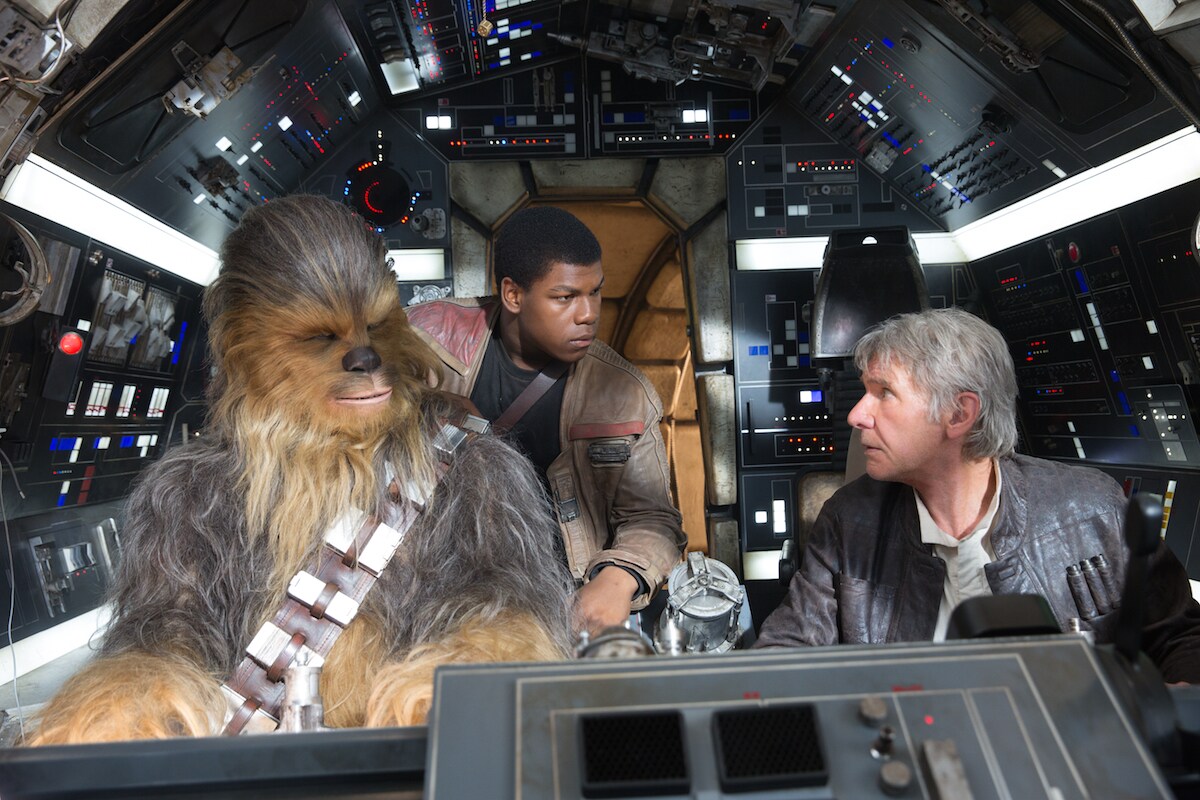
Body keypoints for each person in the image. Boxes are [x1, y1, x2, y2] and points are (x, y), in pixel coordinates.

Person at [755, 307, 1200, 683]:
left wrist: (1169, 710)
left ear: (959, 413)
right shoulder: (848, 522)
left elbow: (1182, 637)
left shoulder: (1092, 508)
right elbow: (785, 654)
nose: (856, 415)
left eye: (884, 392)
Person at [407, 206, 687, 634]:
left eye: (595, 292)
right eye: (565, 297)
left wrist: (617, 580)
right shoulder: (425, 344)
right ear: (513, 295)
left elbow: (653, 518)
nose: (588, 313)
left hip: (556, 610)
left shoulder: (624, 394)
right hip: (432, 602)